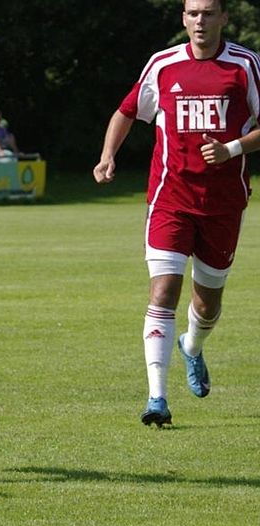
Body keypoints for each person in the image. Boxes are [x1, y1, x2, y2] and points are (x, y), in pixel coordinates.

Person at [93, 0, 260, 428]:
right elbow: (127, 111)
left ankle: (194, 346)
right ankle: (156, 398)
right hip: (169, 199)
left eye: (208, 13)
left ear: (224, 18)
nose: (200, 21)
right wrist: (108, 155)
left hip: (223, 205)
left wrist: (232, 149)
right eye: (192, 13)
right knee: (163, 292)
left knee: (207, 304)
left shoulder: (244, 66)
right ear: (183, 19)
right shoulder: (163, 65)